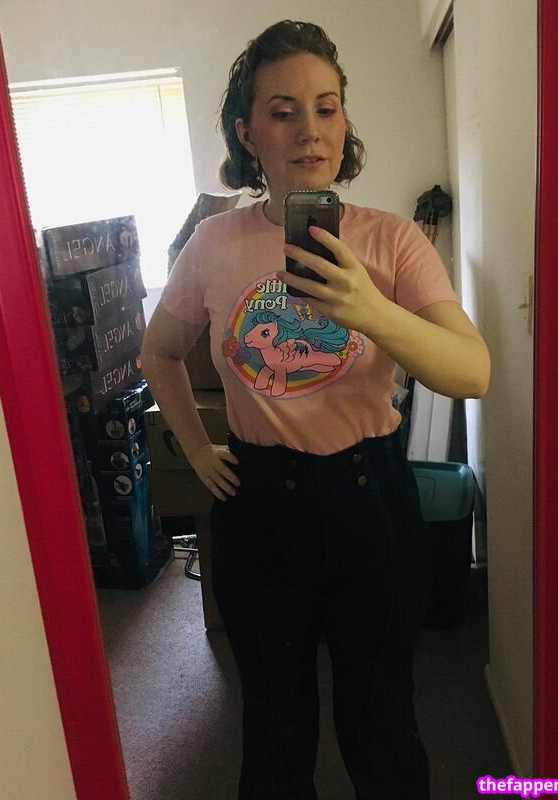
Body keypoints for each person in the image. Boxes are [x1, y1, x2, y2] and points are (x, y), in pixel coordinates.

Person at [141, 19, 490, 800]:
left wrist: (369, 308)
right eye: (283, 111)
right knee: (274, 728)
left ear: (344, 121)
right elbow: (157, 354)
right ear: (247, 133)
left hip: (371, 499)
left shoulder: (392, 242)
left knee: (383, 721)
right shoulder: (212, 245)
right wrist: (195, 449)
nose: (310, 131)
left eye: (327, 107)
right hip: (260, 504)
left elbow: (472, 370)